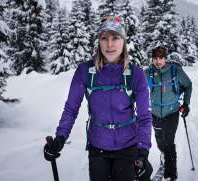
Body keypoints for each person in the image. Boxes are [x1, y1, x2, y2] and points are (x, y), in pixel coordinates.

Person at [43, 16, 153, 181]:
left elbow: (144, 117)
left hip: (128, 146)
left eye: (115, 38)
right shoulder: (85, 71)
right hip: (97, 147)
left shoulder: (136, 74)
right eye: (104, 38)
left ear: (123, 41)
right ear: (99, 42)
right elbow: (71, 109)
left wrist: (143, 151)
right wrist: (60, 138)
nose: (109, 44)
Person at [145, 47, 192, 181]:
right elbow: (136, 86)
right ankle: (163, 155)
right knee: (160, 140)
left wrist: (186, 104)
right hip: (154, 113)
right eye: (155, 59)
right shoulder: (148, 73)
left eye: (161, 58)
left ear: (165, 58)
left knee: (169, 142)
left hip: (171, 112)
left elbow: (188, 85)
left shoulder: (175, 71)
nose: (158, 61)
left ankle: (170, 175)